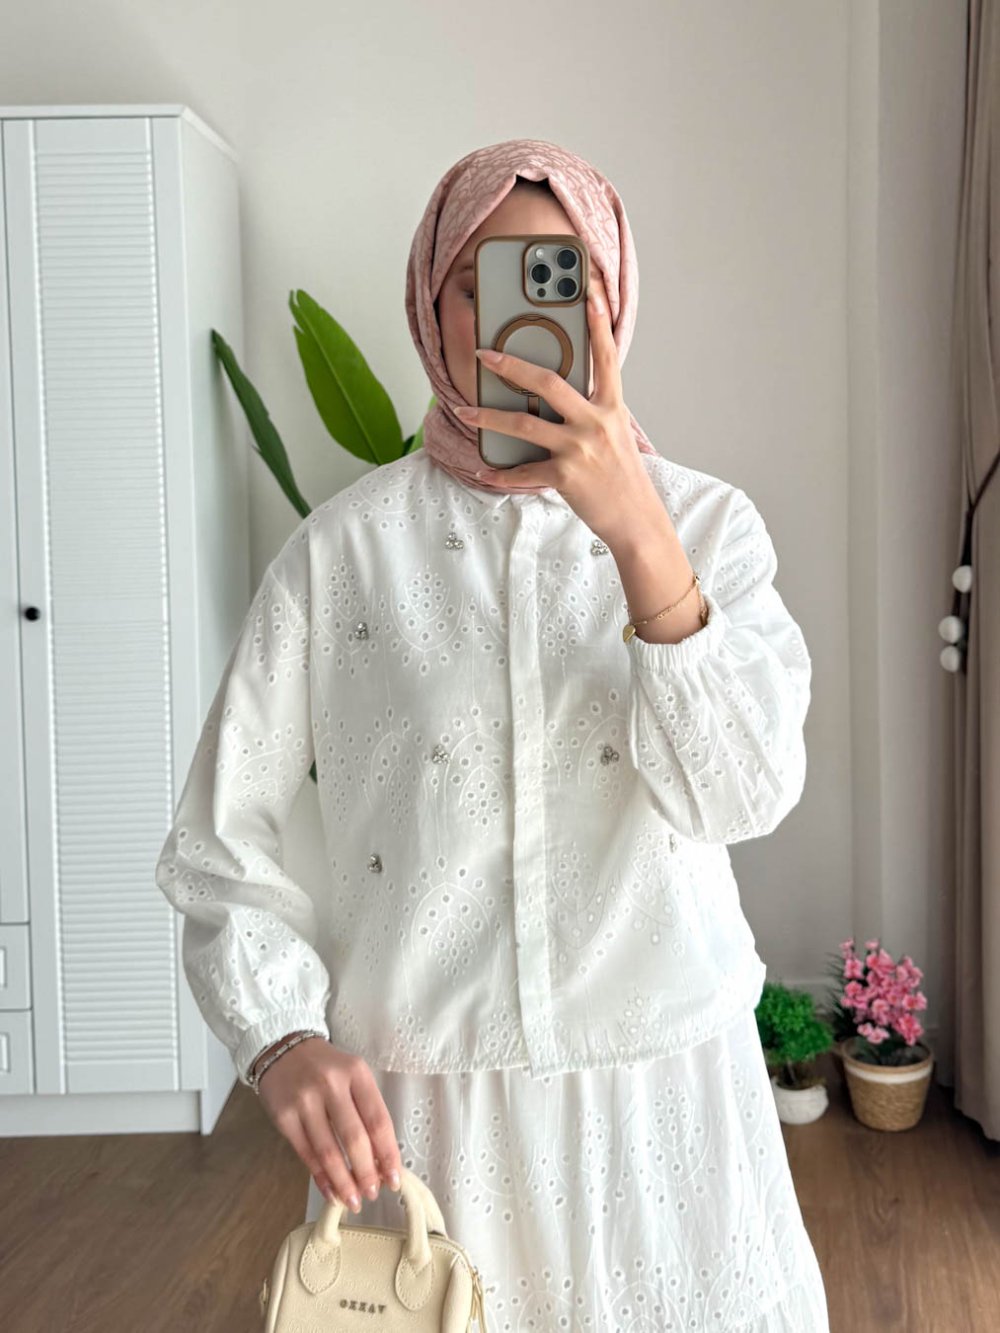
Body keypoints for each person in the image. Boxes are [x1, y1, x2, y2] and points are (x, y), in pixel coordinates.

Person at [155, 138, 830, 1330]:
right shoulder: (340, 555)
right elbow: (219, 844)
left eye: (561, 278)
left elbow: (747, 794)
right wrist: (277, 1039)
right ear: (432, 305)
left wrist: (639, 540)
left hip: (667, 1104)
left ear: (611, 301)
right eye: (482, 281)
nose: (520, 317)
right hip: (432, 1124)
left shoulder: (708, 527)